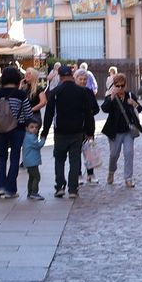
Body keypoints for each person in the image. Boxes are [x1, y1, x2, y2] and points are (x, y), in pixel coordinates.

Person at [41, 64, 98, 197]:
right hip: (77, 131)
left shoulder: (55, 92)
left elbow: (49, 114)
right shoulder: (82, 92)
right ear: (72, 76)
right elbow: (88, 114)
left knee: (59, 159)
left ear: (60, 77)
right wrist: (90, 132)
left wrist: (44, 132)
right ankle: (73, 189)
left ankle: (60, 186)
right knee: (74, 159)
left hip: (60, 131)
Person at [0, 66, 37, 198]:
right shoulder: (21, 94)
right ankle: (10, 189)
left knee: (2, 157)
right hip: (17, 130)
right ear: (16, 79)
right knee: (15, 158)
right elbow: (28, 113)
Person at [100, 73, 141, 187]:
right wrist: (111, 98)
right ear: (114, 86)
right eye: (117, 86)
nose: (120, 88)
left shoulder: (130, 96)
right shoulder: (111, 97)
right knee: (114, 155)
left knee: (129, 153)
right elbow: (104, 109)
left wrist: (134, 104)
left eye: (122, 86)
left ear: (125, 85)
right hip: (114, 132)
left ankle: (128, 178)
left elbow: (140, 108)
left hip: (128, 131)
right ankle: (111, 171)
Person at [21, 121, 45, 200]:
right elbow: (38, 145)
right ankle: (34, 192)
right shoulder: (31, 137)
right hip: (32, 162)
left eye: (36, 127)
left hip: (29, 161)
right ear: (27, 128)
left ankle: (30, 192)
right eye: (32, 127)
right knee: (37, 177)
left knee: (31, 177)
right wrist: (43, 139)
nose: (34, 129)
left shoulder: (26, 136)